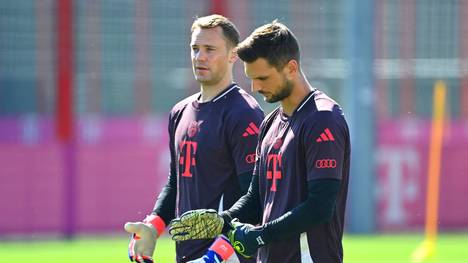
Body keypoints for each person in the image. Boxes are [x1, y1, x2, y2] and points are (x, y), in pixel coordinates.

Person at [169, 21, 351, 263]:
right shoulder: (270, 123)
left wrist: (260, 235)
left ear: (291, 68)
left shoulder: (322, 119)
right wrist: (223, 220)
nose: (255, 88)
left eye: (263, 78)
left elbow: (320, 206)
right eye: (251, 79)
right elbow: (256, 197)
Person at [124, 14, 264, 263]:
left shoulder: (243, 113)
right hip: (188, 255)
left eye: (210, 49)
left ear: (233, 55)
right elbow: (175, 181)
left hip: (228, 256)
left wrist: (218, 254)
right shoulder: (180, 111)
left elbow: (255, 198)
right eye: (195, 48)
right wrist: (153, 226)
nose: (200, 57)